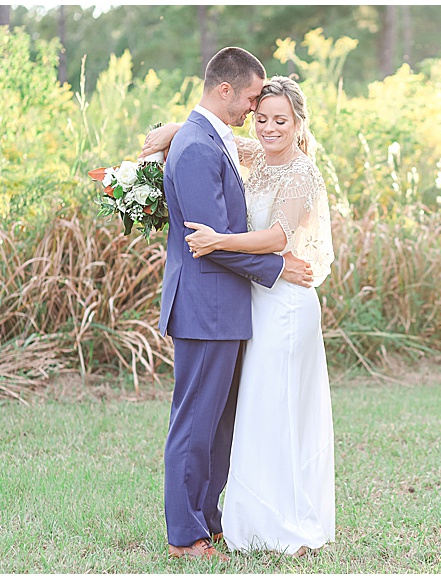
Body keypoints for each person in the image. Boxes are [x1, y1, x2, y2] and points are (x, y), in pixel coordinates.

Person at [144, 74, 336, 557]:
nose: (268, 126)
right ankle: (237, 523)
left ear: (299, 124)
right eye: (262, 116)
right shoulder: (257, 155)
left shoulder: (301, 172)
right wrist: (172, 128)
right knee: (253, 411)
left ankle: (284, 522)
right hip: (252, 301)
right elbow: (211, 133)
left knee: (279, 410)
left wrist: (219, 240)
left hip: (285, 302)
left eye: (280, 120)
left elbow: (275, 239)